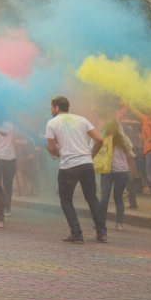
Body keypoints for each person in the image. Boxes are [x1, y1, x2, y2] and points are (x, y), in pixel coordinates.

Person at [45, 95, 107, 244]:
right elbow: (99, 140)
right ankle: (102, 233)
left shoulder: (52, 122)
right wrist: (89, 156)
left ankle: (76, 233)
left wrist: (59, 154)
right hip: (86, 163)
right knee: (92, 198)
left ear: (56, 107)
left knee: (66, 199)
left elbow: (51, 148)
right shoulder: (81, 119)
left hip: (68, 165)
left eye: (51, 107)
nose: (50, 109)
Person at [96, 120, 136, 232]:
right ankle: (119, 224)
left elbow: (93, 149)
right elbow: (131, 153)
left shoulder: (102, 139)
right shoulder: (124, 140)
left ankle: (101, 222)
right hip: (122, 171)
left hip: (106, 171)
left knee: (104, 198)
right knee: (118, 198)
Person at [0, 119, 18, 217]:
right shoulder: (12, 125)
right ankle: (6, 209)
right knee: (8, 185)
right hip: (10, 159)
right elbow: (14, 141)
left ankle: (0, 207)